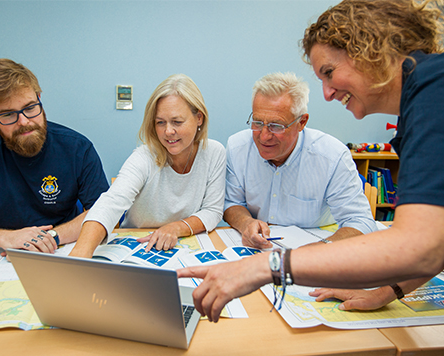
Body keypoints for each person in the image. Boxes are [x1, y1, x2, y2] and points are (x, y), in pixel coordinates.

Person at [178, 0, 444, 321]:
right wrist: (387, 291)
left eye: (329, 73)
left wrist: (265, 267)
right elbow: (437, 242)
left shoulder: (433, 93)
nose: (328, 93)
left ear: (370, 49)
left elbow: (419, 246)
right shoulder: (420, 102)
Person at [0, 59, 109, 254]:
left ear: (39, 97)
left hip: (60, 249)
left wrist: (47, 239)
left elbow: (104, 212)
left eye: (30, 108)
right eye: (8, 114)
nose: (24, 122)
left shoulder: (78, 148)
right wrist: (5, 238)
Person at [69, 74, 226, 258]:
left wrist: (176, 228)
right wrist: (81, 253)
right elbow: (110, 203)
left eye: (177, 122)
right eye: (160, 122)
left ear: (199, 118)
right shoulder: (144, 157)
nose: (168, 131)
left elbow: (213, 211)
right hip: (138, 246)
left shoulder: (215, 152)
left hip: (185, 247)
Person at [224, 72, 376, 249]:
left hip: (319, 247)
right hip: (256, 248)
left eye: (276, 126)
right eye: (257, 123)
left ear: (302, 122)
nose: (264, 136)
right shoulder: (237, 147)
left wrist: (319, 249)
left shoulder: (332, 157)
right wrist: (245, 223)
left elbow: (360, 221)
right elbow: (232, 203)